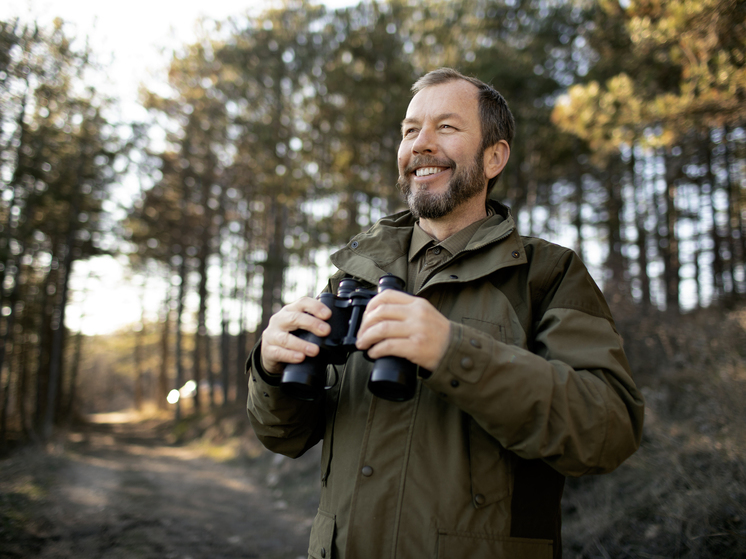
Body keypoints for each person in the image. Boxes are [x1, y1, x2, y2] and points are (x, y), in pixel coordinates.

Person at [246, 67, 644, 559]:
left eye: (446, 128)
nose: (421, 144)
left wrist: (453, 352)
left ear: (494, 156)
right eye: (410, 130)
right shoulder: (355, 273)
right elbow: (284, 436)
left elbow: (608, 431)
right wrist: (269, 367)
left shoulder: (547, 274)